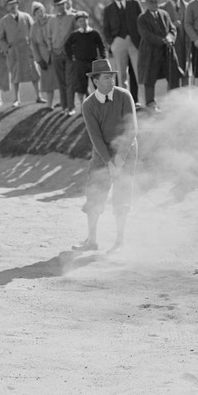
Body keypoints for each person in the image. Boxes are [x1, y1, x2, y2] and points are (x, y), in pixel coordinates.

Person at [78, 58, 138, 252]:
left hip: (126, 150)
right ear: (96, 81)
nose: (111, 80)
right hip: (102, 153)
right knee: (94, 191)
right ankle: (91, 241)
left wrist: (119, 160)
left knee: (122, 194)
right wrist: (109, 163)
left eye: (112, 76)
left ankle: (119, 241)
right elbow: (95, 137)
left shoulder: (124, 95)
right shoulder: (88, 105)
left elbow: (131, 129)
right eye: (106, 77)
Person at [135, 0, 177, 113]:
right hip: (150, 53)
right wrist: (163, 40)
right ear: (146, 4)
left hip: (166, 52)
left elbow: (172, 29)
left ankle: (173, 101)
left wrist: (170, 38)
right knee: (149, 78)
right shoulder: (142, 18)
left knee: (172, 75)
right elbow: (146, 36)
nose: (154, 4)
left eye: (155, 1)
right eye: (151, 2)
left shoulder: (164, 14)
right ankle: (150, 103)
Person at [101, 0, 143, 97]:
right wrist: (112, 43)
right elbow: (106, 29)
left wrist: (141, 40)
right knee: (121, 75)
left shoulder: (134, 3)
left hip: (135, 41)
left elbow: (142, 22)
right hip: (118, 41)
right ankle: (124, 103)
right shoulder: (108, 9)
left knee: (140, 73)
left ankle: (147, 102)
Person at [0, 0, 40, 107]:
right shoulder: (4, 21)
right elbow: (0, 39)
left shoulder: (26, 17)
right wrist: (7, 49)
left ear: (17, 4)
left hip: (27, 49)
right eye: (9, 5)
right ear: (6, 7)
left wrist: (34, 47)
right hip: (14, 52)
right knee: (15, 76)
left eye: (14, 4)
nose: (12, 7)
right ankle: (17, 99)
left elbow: (34, 31)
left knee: (34, 73)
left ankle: (39, 96)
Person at [64, 10, 107, 111]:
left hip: (93, 62)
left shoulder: (94, 33)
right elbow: (67, 46)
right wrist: (72, 57)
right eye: (80, 21)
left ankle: (100, 105)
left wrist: (102, 56)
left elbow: (101, 45)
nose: (83, 22)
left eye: (85, 20)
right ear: (77, 23)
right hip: (80, 63)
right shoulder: (74, 35)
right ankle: (84, 106)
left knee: (97, 83)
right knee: (81, 85)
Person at [48, 0, 77, 112]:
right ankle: (64, 106)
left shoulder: (73, 17)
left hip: (69, 53)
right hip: (56, 53)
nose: (60, 7)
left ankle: (71, 107)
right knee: (61, 82)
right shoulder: (52, 20)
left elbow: (76, 36)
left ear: (65, 4)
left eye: (62, 4)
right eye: (58, 5)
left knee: (70, 81)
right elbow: (49, 37)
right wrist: (51, 51)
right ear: (54, 7)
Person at [161, 0, 190, 89]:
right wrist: (173, 25)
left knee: (186, 72)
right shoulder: (163, 8)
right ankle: (173, 100)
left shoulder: (187, 6)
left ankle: (187, 99)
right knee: (173, 74)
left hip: (186, 45)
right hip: (172, 46)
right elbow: (161, 29)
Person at [29, 2, 54, 107]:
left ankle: (65, 104)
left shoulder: (53, 20)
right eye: (37, 12)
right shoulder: (34, 27)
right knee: (48, 83)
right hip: (45, 58)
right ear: (34, 15)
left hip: (57, 54)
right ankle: (49, 104)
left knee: (64, 80)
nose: (40, 14)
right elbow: (33, 45)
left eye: (41, 11)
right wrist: (39, 60)